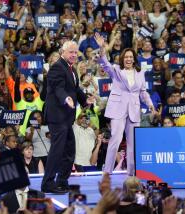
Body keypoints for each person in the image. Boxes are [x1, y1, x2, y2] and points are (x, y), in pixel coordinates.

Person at [94, 32, 154, 176]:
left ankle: (132, 173)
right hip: (117, 109)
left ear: (134, 59)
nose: (128, 59)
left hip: (133, 110)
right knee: (115, 139)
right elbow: (104, 63)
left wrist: (150, 104)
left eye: (130, 57)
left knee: (133, 143)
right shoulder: (116, 70)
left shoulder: (140, 73)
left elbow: (143, 91)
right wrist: (102, 48)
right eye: (126, 57)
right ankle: (107, 172)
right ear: (122, 59)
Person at [41, 40, 92, 193]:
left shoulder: (71, 68)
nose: (74, 55)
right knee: (57, 150)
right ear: (63, 52)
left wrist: (85, 101)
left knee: (69, 151)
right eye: (71, 52)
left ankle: (62, 181)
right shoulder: (57, 67)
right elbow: (58, 88)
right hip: (57, 117)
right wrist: (65, 98)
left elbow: (75, 89)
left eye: (76, 52)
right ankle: (47, 184)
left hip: (66, 118)